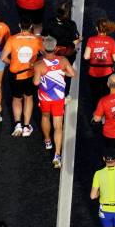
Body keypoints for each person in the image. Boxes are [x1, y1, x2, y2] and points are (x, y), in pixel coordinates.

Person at [33, 35, 73, 168]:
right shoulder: (63, 60)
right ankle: (57, 154)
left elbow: (36, 82)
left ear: (43, 48)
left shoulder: (39, 64)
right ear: (55, 48)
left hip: (45, 97)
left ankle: (47, 140)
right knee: (58, 125)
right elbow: (72, 74)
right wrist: (61, 73)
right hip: (58, 97)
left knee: (45, 116)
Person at [0, 19, 40, 136]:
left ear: (19, 25)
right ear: (31, 26)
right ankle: (26, 126)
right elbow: (45, 53)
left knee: (16, 98)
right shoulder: (37, 40)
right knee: (29, 98)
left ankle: (18, 124)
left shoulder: (12, 39)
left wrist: (12, 63)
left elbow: (3, 58)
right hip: (30, 74)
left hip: (15, 74)